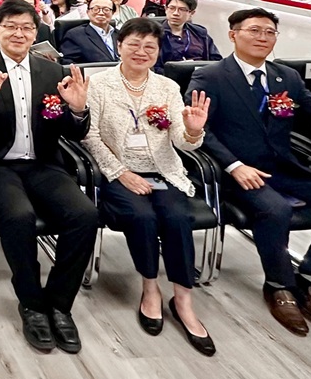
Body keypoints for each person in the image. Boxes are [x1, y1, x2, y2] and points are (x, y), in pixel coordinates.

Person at [187, 8, 311, 336]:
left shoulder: (285, 76)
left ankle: (308, 276)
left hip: (283, 166)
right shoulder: (210, 76)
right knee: (275, 210)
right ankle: (278, 285)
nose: (263, 37)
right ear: (233, 34)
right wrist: (234, 166)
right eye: (254, 30)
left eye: (270, 32)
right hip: (236, 170)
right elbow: (203, 131)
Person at [0, 0, 95, 354]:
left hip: (44, 164)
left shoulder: (52, 70)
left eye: (27, 28)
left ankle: (59, 304)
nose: (19, 33)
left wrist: (78, 109)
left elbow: (72, 133)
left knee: (85, 214)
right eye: (11, 26)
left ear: (36, 33)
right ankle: (31, 304)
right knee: (19, 216)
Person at [83, 19, 215, 355]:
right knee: (142, 217)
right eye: (134, 44)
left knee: (178, 218)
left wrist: (193, 130)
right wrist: (121, 172)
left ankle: (183, 300)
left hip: (162, 170)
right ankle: (150, 287)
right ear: (119, 46)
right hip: (117, 171)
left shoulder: (167, 87)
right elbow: (90, 137)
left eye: (149, 47)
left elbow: (181, 141)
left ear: (157, 52)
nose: (141, 52)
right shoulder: (98, 84)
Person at [156, 0, 221, 71]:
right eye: (172, 8)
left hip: (200, 75)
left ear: (191, 13)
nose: (176, 13)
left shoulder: (199, 33)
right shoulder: (154, 33)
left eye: (182, 9)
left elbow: (216, 61)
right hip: (166, 76)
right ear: (166, 9)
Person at [61, 0, 119, 64]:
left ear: (113, 13)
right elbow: (67, 62)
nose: (101, 13)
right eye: (96, 9)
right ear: (88, 12)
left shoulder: (121, 34)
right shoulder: (75, 35)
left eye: (106, 9)